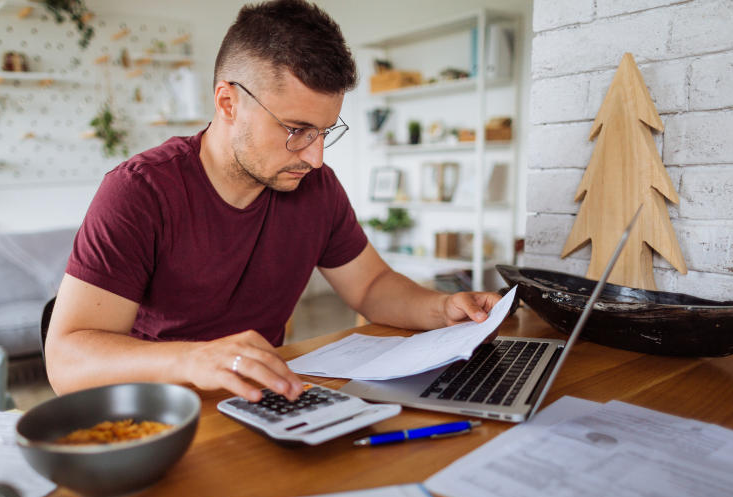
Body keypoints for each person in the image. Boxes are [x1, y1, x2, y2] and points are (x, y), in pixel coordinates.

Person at [46, 0, 501, 402]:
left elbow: (370, 286)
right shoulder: (141, 191)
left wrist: (439, 308)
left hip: (264, 400)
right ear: (228, 103)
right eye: (297, 130)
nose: (316, 158)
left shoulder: (316, 188)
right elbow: (65, 361)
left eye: (324, 132)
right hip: (162, 411)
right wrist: (194, 360)